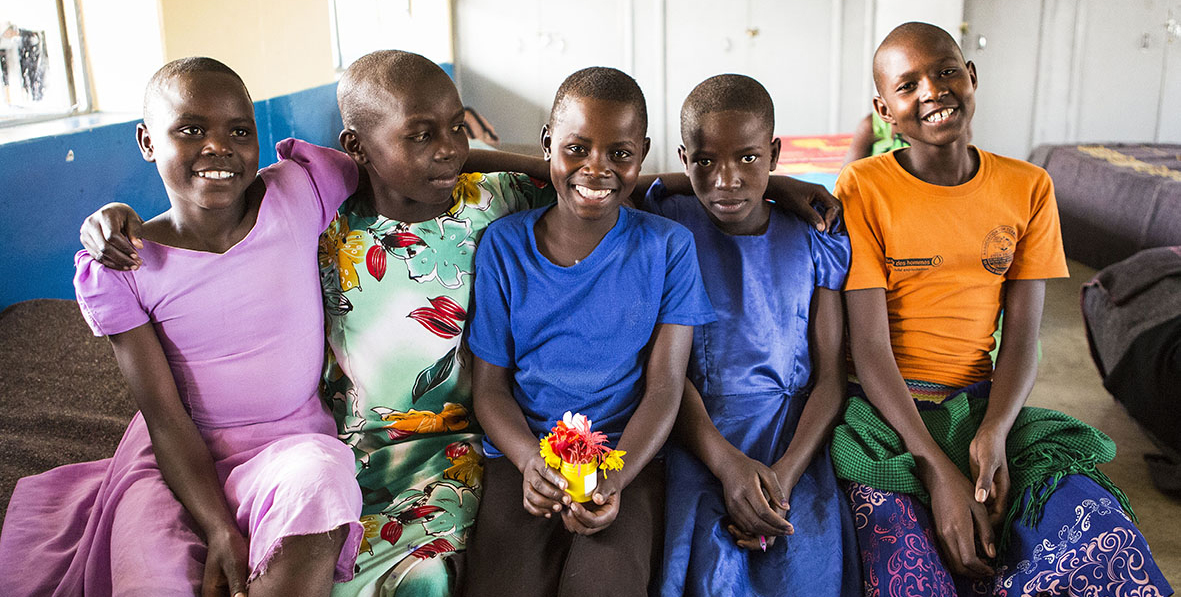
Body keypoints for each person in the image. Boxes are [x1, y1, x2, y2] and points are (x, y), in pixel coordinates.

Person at [831, 22, 1173, 596]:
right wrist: (938, 470)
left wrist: (993, 432)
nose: (932, 91)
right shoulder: (863, 188)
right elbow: (867, 347)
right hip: (886, 415)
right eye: (907, 85)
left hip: (981, 405)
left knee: (1095, 530)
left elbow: (1020, 339)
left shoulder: (1029, 188)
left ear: (971, 76)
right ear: (884, 109)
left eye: (944, 71)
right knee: (905, 561)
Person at [0, 58, 364, 597]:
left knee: (320, 490)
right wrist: (218, 526)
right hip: (178, 458)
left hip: (293, 444)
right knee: (150, 573)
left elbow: (402, 158)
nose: (218, 147)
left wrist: (530, 163)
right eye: (191, 130)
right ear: (147, 142)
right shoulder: (125, 268)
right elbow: (165, 420)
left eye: (239, 131)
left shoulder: (300, 190)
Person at [461, 67, 715, 596]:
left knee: (602, 584)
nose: (596, 169)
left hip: (628, 458)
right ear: (548, 145)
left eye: (620, 153)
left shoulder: (668, 248)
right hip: (522, 455)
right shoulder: (504, 247)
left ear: (642, 153)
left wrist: (617, 478)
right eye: (576, 148)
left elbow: (666, 384)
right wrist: (530, 460)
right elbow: (489, 387)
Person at [646, 74, 859, 597]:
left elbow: (831, 377)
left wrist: (784, 475)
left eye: (747, 158)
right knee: (705, 570)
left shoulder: (817, 237)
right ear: (683, 157)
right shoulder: (668, 227)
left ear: (775, 152)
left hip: (796, 443)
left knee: (807, 571)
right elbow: (667, 375)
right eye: (705, 162)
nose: (726, 180)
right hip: (698, 436)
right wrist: (726, 465)